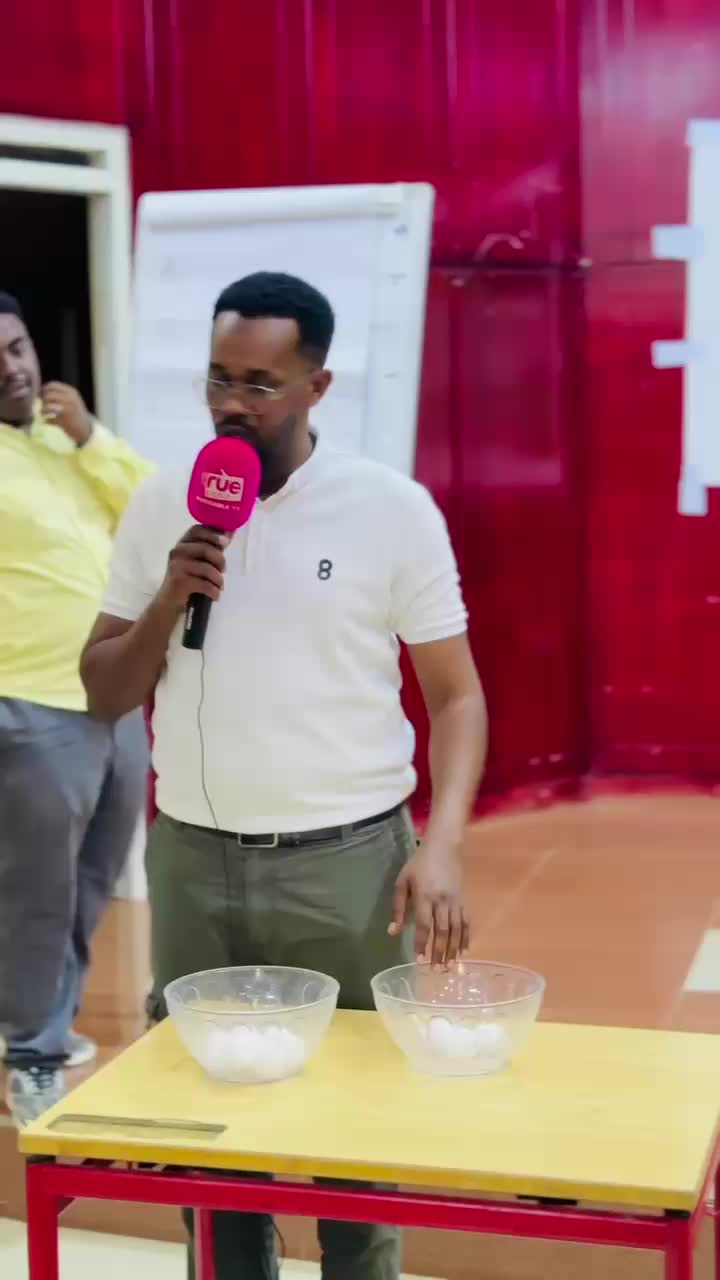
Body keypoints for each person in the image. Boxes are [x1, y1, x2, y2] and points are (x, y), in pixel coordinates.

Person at [81, 271, 487, 1280]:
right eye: (219, 378)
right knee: (210, 1147)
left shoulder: (389, 510)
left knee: (356, 1139)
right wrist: (171, 594)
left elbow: (456, 697)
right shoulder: (162, 505)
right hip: (193, 865)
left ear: (317, 386)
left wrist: (440, 847)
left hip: (348, 867)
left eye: (260, 383)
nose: (233, 403)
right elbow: (103, 688)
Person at [0, 291, 152, 1127]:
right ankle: (31, 1050)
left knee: (96, 875)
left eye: (17, 347)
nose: (12, 369)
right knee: (39, 889)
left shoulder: (67, 441)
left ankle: (44, 1018)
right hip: (31, 701)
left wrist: (92, 437)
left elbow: (151, 510)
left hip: (115, 695)